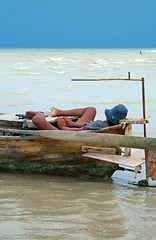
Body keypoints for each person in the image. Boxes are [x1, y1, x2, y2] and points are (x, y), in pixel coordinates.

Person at [25, 104, 128, 131]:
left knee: (37, 120)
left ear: (107, 117)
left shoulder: (101, 125)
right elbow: (88, 126)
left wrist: (65, 127)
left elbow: (78, 132)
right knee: (91, 109)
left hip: (64, 133)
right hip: (74, 128)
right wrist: (71, 123)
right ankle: (58, 111)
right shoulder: (105, 125)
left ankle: (39, 115)